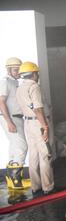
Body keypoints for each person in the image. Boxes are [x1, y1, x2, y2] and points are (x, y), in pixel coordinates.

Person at [16, 62, 55, 195]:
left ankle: (36, 186)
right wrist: (45, 126)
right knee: (45, 154)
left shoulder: (20, 88)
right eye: (37, 73)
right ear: (33, 73)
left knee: (33, 155)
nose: (38, 75)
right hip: (38, 123)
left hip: (28, 123)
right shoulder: (34, 87)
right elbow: (38, 108)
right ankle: (48, 187)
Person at [0, 57, 28, 189]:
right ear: (9, 70)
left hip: (17, 118)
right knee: (22, 147)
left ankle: (12, 179)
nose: (18, 72)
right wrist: (9, 122)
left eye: (19, 70)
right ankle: (15, 179)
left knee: (14, 147)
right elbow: (1, 102)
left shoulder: (15, 82)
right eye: (16, 70)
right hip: (11, 118)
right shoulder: (5, 81)